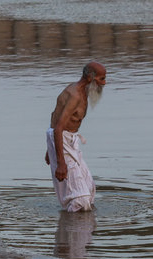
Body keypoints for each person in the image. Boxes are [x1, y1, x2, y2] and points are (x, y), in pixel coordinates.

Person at [45, 61, 106, 212]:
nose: (104, 83)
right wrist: (60, 163)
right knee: (80, 200)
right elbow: (58, 127)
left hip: (69, 140)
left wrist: (50, 149)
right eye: (101, 79)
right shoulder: (74, 95)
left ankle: (84, 231)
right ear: (90, 77)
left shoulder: (81, 91)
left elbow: (54, 115)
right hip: (62, 139)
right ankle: (72, 231)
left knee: (89, 189)